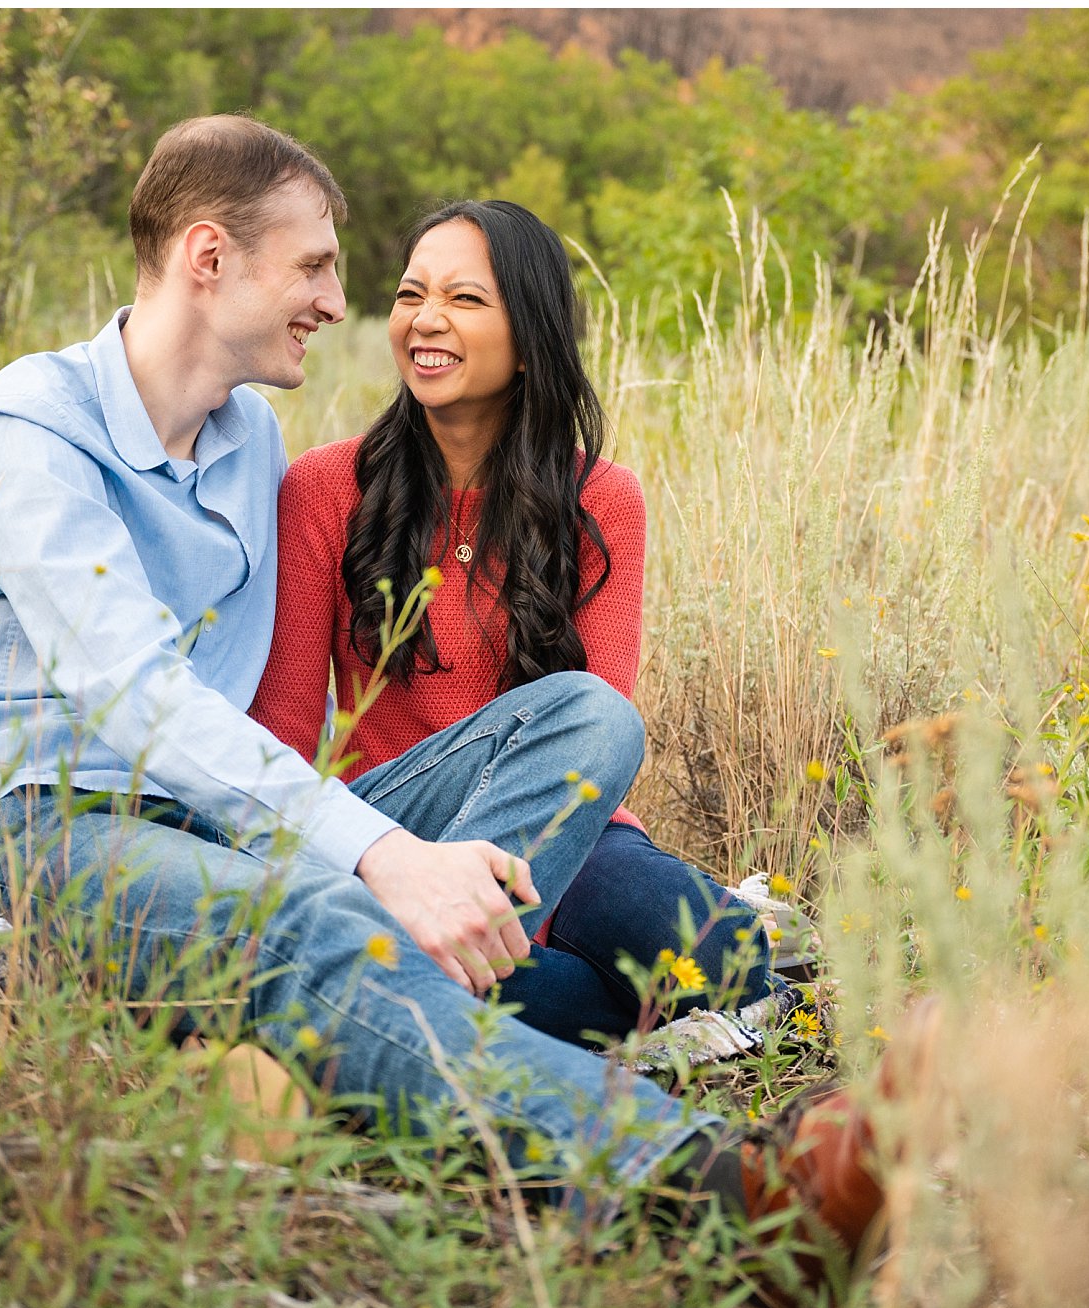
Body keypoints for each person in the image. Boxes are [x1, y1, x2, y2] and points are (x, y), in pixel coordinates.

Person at [0, 113, 903, 1284]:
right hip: (53, 823)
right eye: (321, 267)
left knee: (588, 721)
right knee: (331, 928)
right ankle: (732, 1199)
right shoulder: (30, 433)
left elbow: (244, 734)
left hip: (242, 824)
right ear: (208, 258)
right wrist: (380, 854)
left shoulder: (242, 439)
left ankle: (333, 1036)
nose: (345, 308)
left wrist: (389, 851)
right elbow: (136, 701)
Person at [249, 199, 773, 1048]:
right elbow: (278, 727)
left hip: (559, 834)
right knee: (621, 977)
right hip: (387, 831)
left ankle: (405, 979)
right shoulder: (325, 487)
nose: (426, 320)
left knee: (730, 956)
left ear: (529, 339)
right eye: (414, 294)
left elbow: (589, 752)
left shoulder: (601, 501)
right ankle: (440, 965)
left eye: (464, 300)